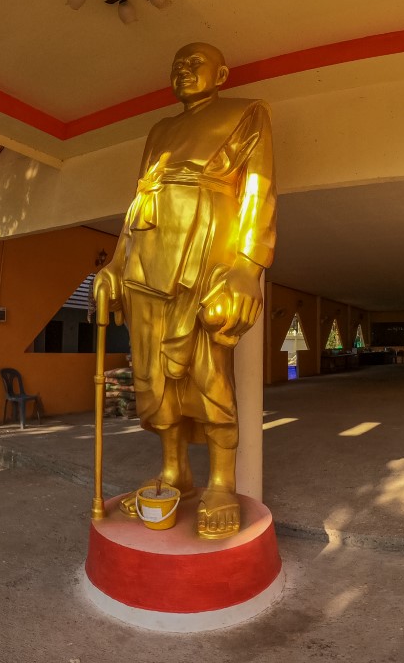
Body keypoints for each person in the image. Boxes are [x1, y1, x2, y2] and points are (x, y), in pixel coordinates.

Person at [93, 42, 276, 539]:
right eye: (177, 64)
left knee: (208, 371)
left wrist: (246, 267)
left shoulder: (247, 113)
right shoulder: (159, 131)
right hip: (146, 261)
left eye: (195, 63)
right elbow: (139, 200)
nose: (183, 70)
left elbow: (258, 191)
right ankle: (174, 471)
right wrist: (115, 264)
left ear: (222, 73)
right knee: (153, 374)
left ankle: (221, 482)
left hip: (205, 253)